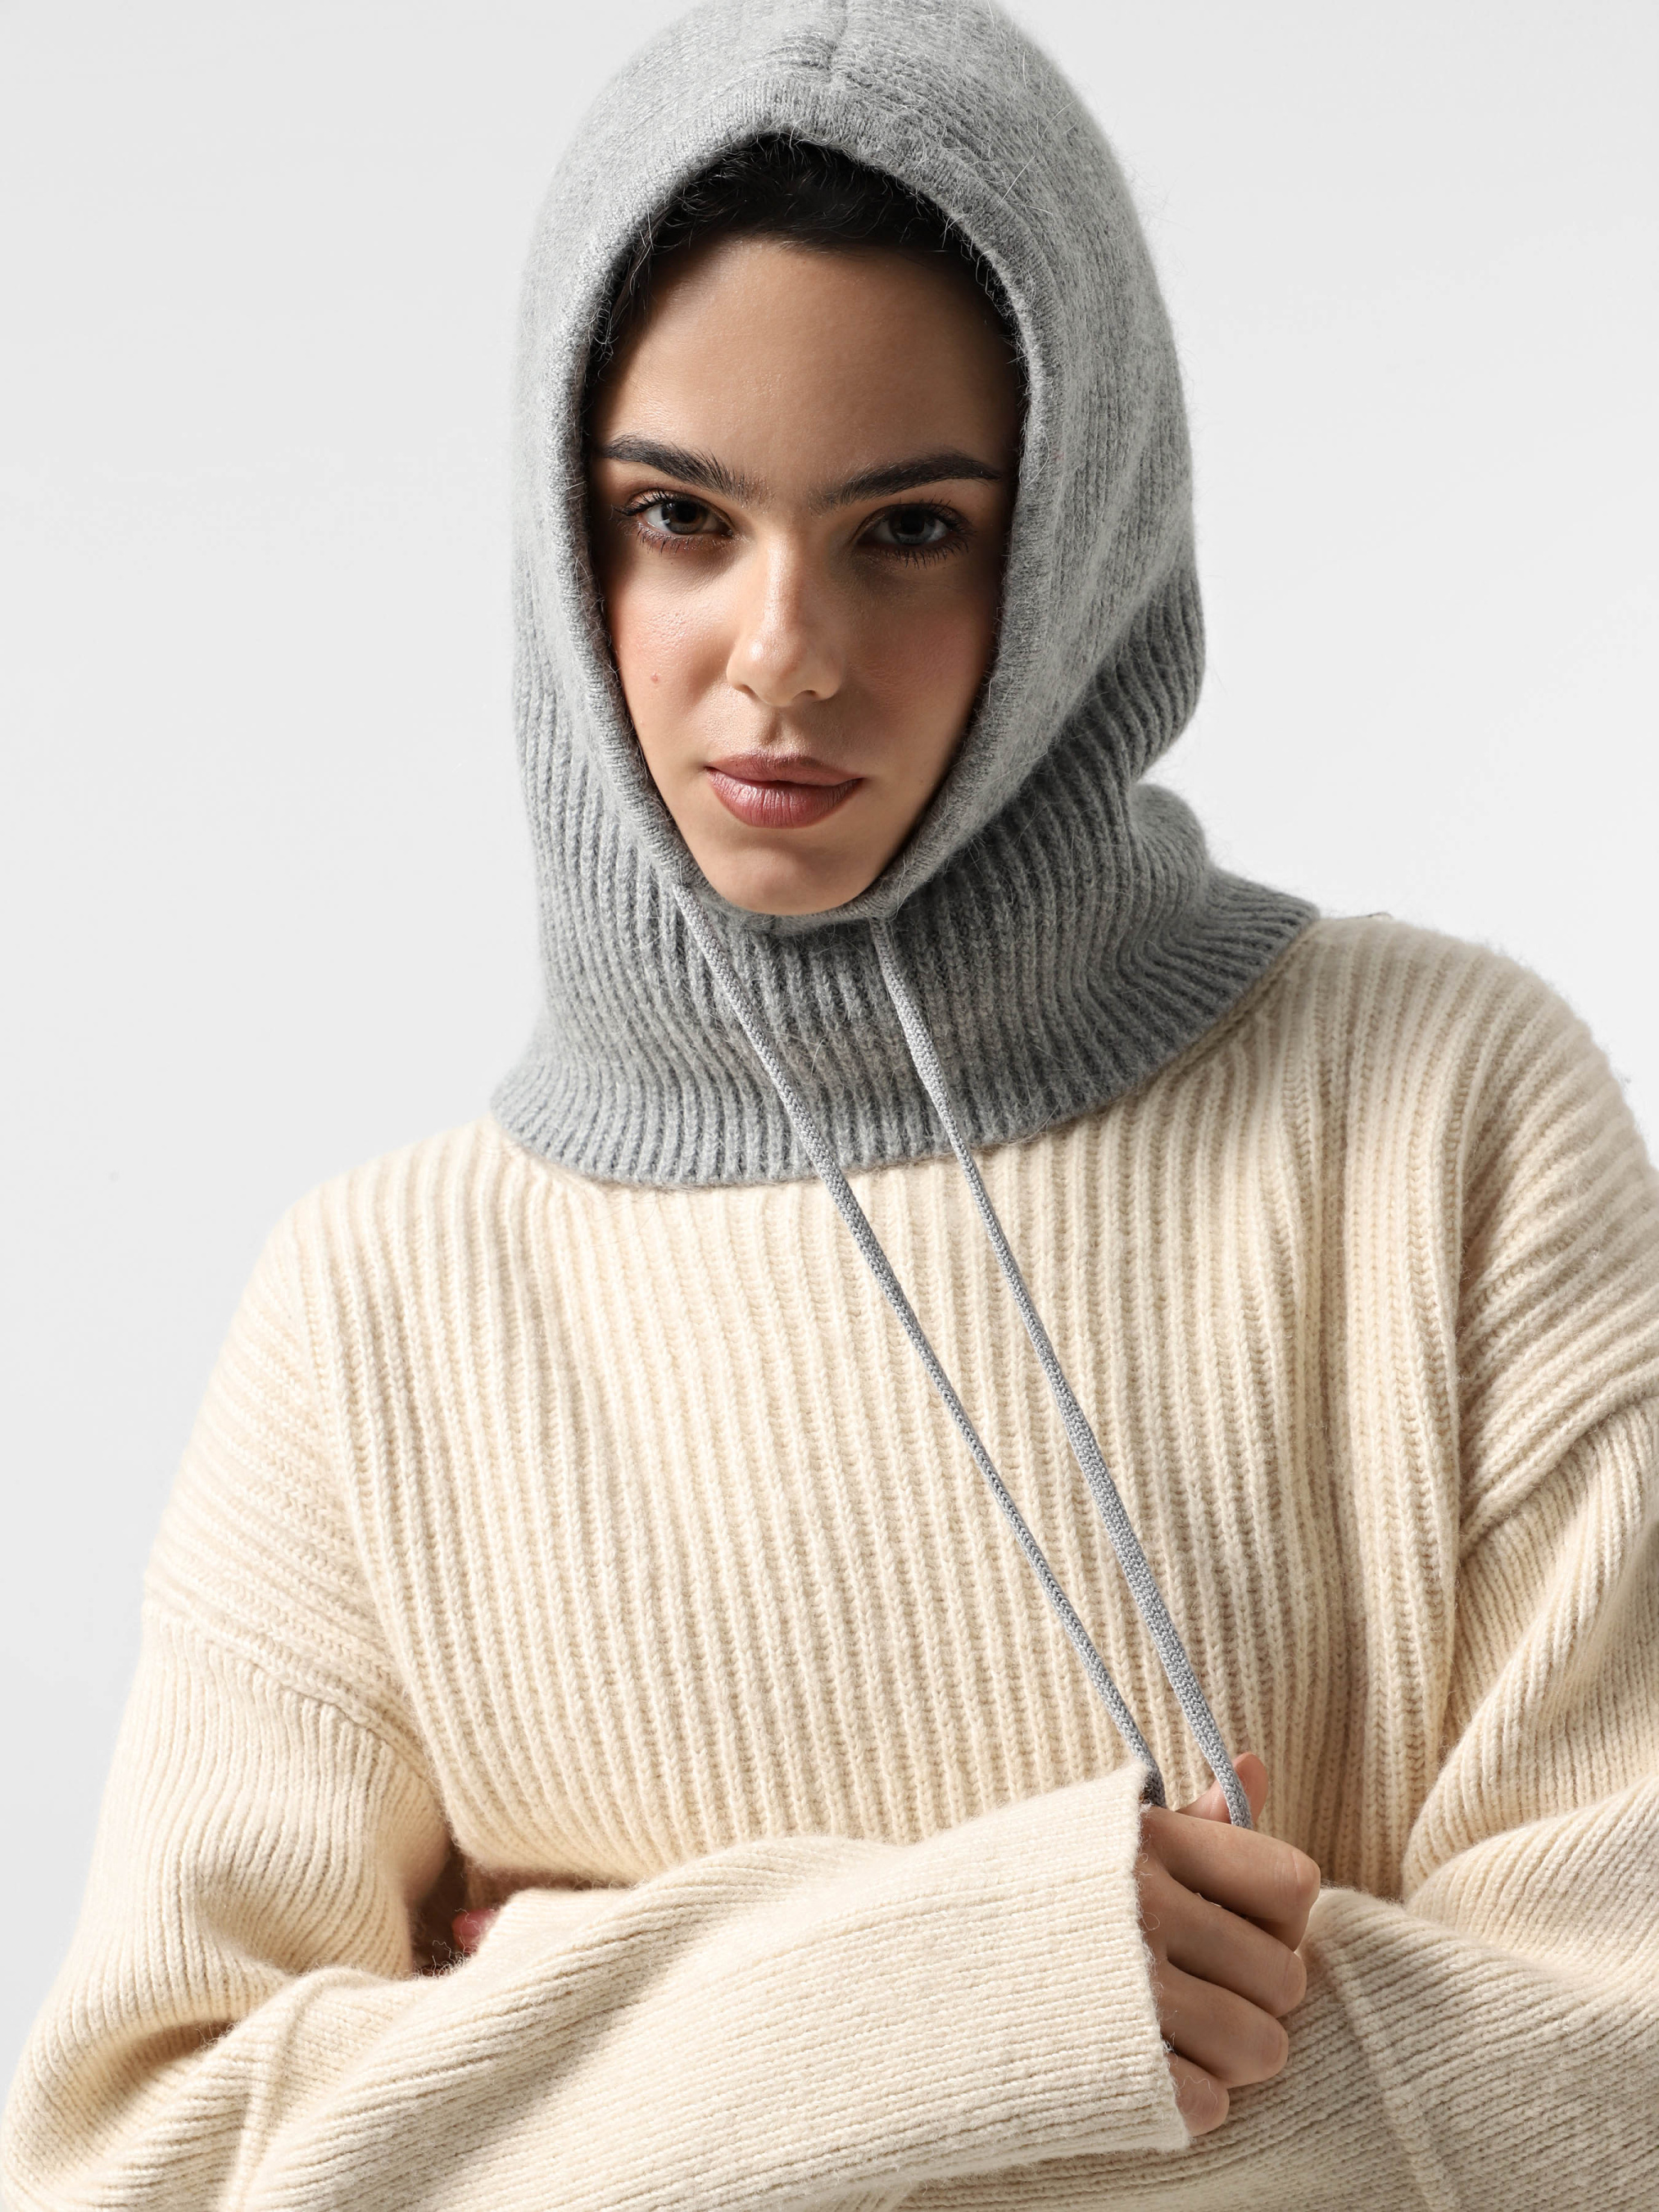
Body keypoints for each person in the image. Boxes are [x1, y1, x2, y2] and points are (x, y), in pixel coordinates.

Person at [5, 0, 1657, 2205]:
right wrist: (930, 1998)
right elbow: (136, 2165)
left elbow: (1619, 2074)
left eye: (909, 530)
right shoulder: (377, 1315)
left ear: (1070, 539)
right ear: (569, 541)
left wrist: (532, 2055)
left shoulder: (1437, 1121)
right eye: (680, 517)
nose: (781, 653)